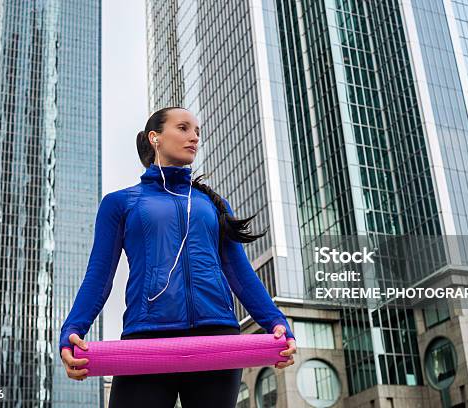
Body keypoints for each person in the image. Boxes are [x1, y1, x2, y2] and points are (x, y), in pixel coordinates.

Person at [59, 106, 297, 407]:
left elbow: (239, 272)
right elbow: (99, 275)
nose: (194, 137)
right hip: (147, 337)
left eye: (197, 131)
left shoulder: (211, 204)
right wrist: (73, 330)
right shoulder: (120, 203)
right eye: (183, 128)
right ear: (155, 137)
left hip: (217, 337)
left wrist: (276, 321)